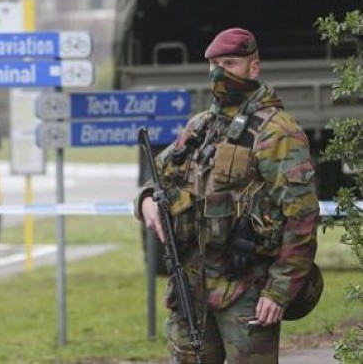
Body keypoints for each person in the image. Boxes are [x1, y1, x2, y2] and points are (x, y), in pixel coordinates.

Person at [134, 28, 320, 363]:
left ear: (254, 67)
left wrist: (279, 291)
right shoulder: (200, 127)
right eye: (214, 64)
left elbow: (302, 219)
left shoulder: (277, 132)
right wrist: (146, 200)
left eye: (230, 62)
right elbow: (157, 177)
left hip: (246, 290)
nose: (219, 73)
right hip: (191, 290)